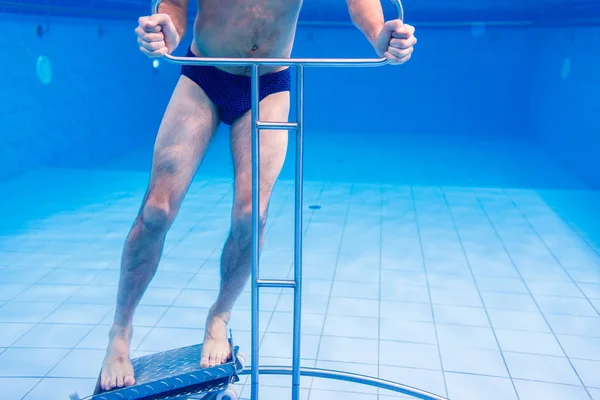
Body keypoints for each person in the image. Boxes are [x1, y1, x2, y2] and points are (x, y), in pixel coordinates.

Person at [99, 0, 417, 391]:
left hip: (268, 83)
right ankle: (120, 330)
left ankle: (220, 316)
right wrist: (168, 30)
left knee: (251, 216)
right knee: (155, 211)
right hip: (205, 75)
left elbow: (359, 2)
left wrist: (379, 33)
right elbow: (176, 4)